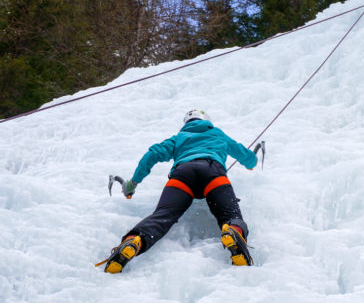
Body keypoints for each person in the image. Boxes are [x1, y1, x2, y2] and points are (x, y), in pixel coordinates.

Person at [100, 109, 261, 273]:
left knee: (163, 215)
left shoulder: (178, 138)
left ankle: (135, 240)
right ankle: (233, 231)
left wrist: (133, 183)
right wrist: (251, 163)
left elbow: (152, 154)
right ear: (207, 121)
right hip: (213, 173)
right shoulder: (218, 134)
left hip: (183, 176)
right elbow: (248, 157)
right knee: (231, 216)